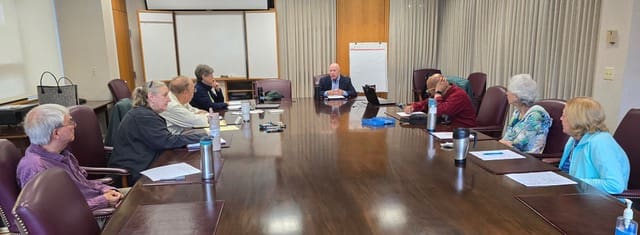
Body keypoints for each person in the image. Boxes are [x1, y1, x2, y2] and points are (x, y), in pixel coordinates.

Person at [17, 104, 123, 212]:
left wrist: (105, 189)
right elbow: (58, 212)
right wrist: (103, 200)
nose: (75, 125)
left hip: (94, 202)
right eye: (70, 122)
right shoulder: (35, 169)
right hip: (88, 217)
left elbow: (84, 184)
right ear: (56, 133)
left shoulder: (62, 153)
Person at [109, 81, 205, 185]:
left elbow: (165, 139)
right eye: (165, 95)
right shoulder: (143, 116)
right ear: (151, 97)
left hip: (147, 165)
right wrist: (202, 137)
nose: (168, 100)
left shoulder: (145, 113)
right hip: (133, 174)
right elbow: (167, 141)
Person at [558, 97, 629, 194]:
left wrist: (574, 182)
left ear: (577, 120)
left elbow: (615, 185)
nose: (561, 119)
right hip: (577, 196)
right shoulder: (573, 139)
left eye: (564, 115)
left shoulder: (600, 142)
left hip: (602, 203)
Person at [499, 74, 552, 153]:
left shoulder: (537, 115)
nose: (506, 93)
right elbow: (507, 138)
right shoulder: (517, 113)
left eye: (509, 91)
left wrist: (503, 143)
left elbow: (519, 146)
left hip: (527, 159)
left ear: (517, 96)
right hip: (510, 154)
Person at [404, 74, 476, 127]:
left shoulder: (458, 94)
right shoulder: (445, 94)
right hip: (448, 128)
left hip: (463, 132)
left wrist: (438, 93)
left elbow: (438, 111)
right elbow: (426, 103)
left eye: (429, 91)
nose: (429, 94)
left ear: (435, 89)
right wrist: (413, 107)